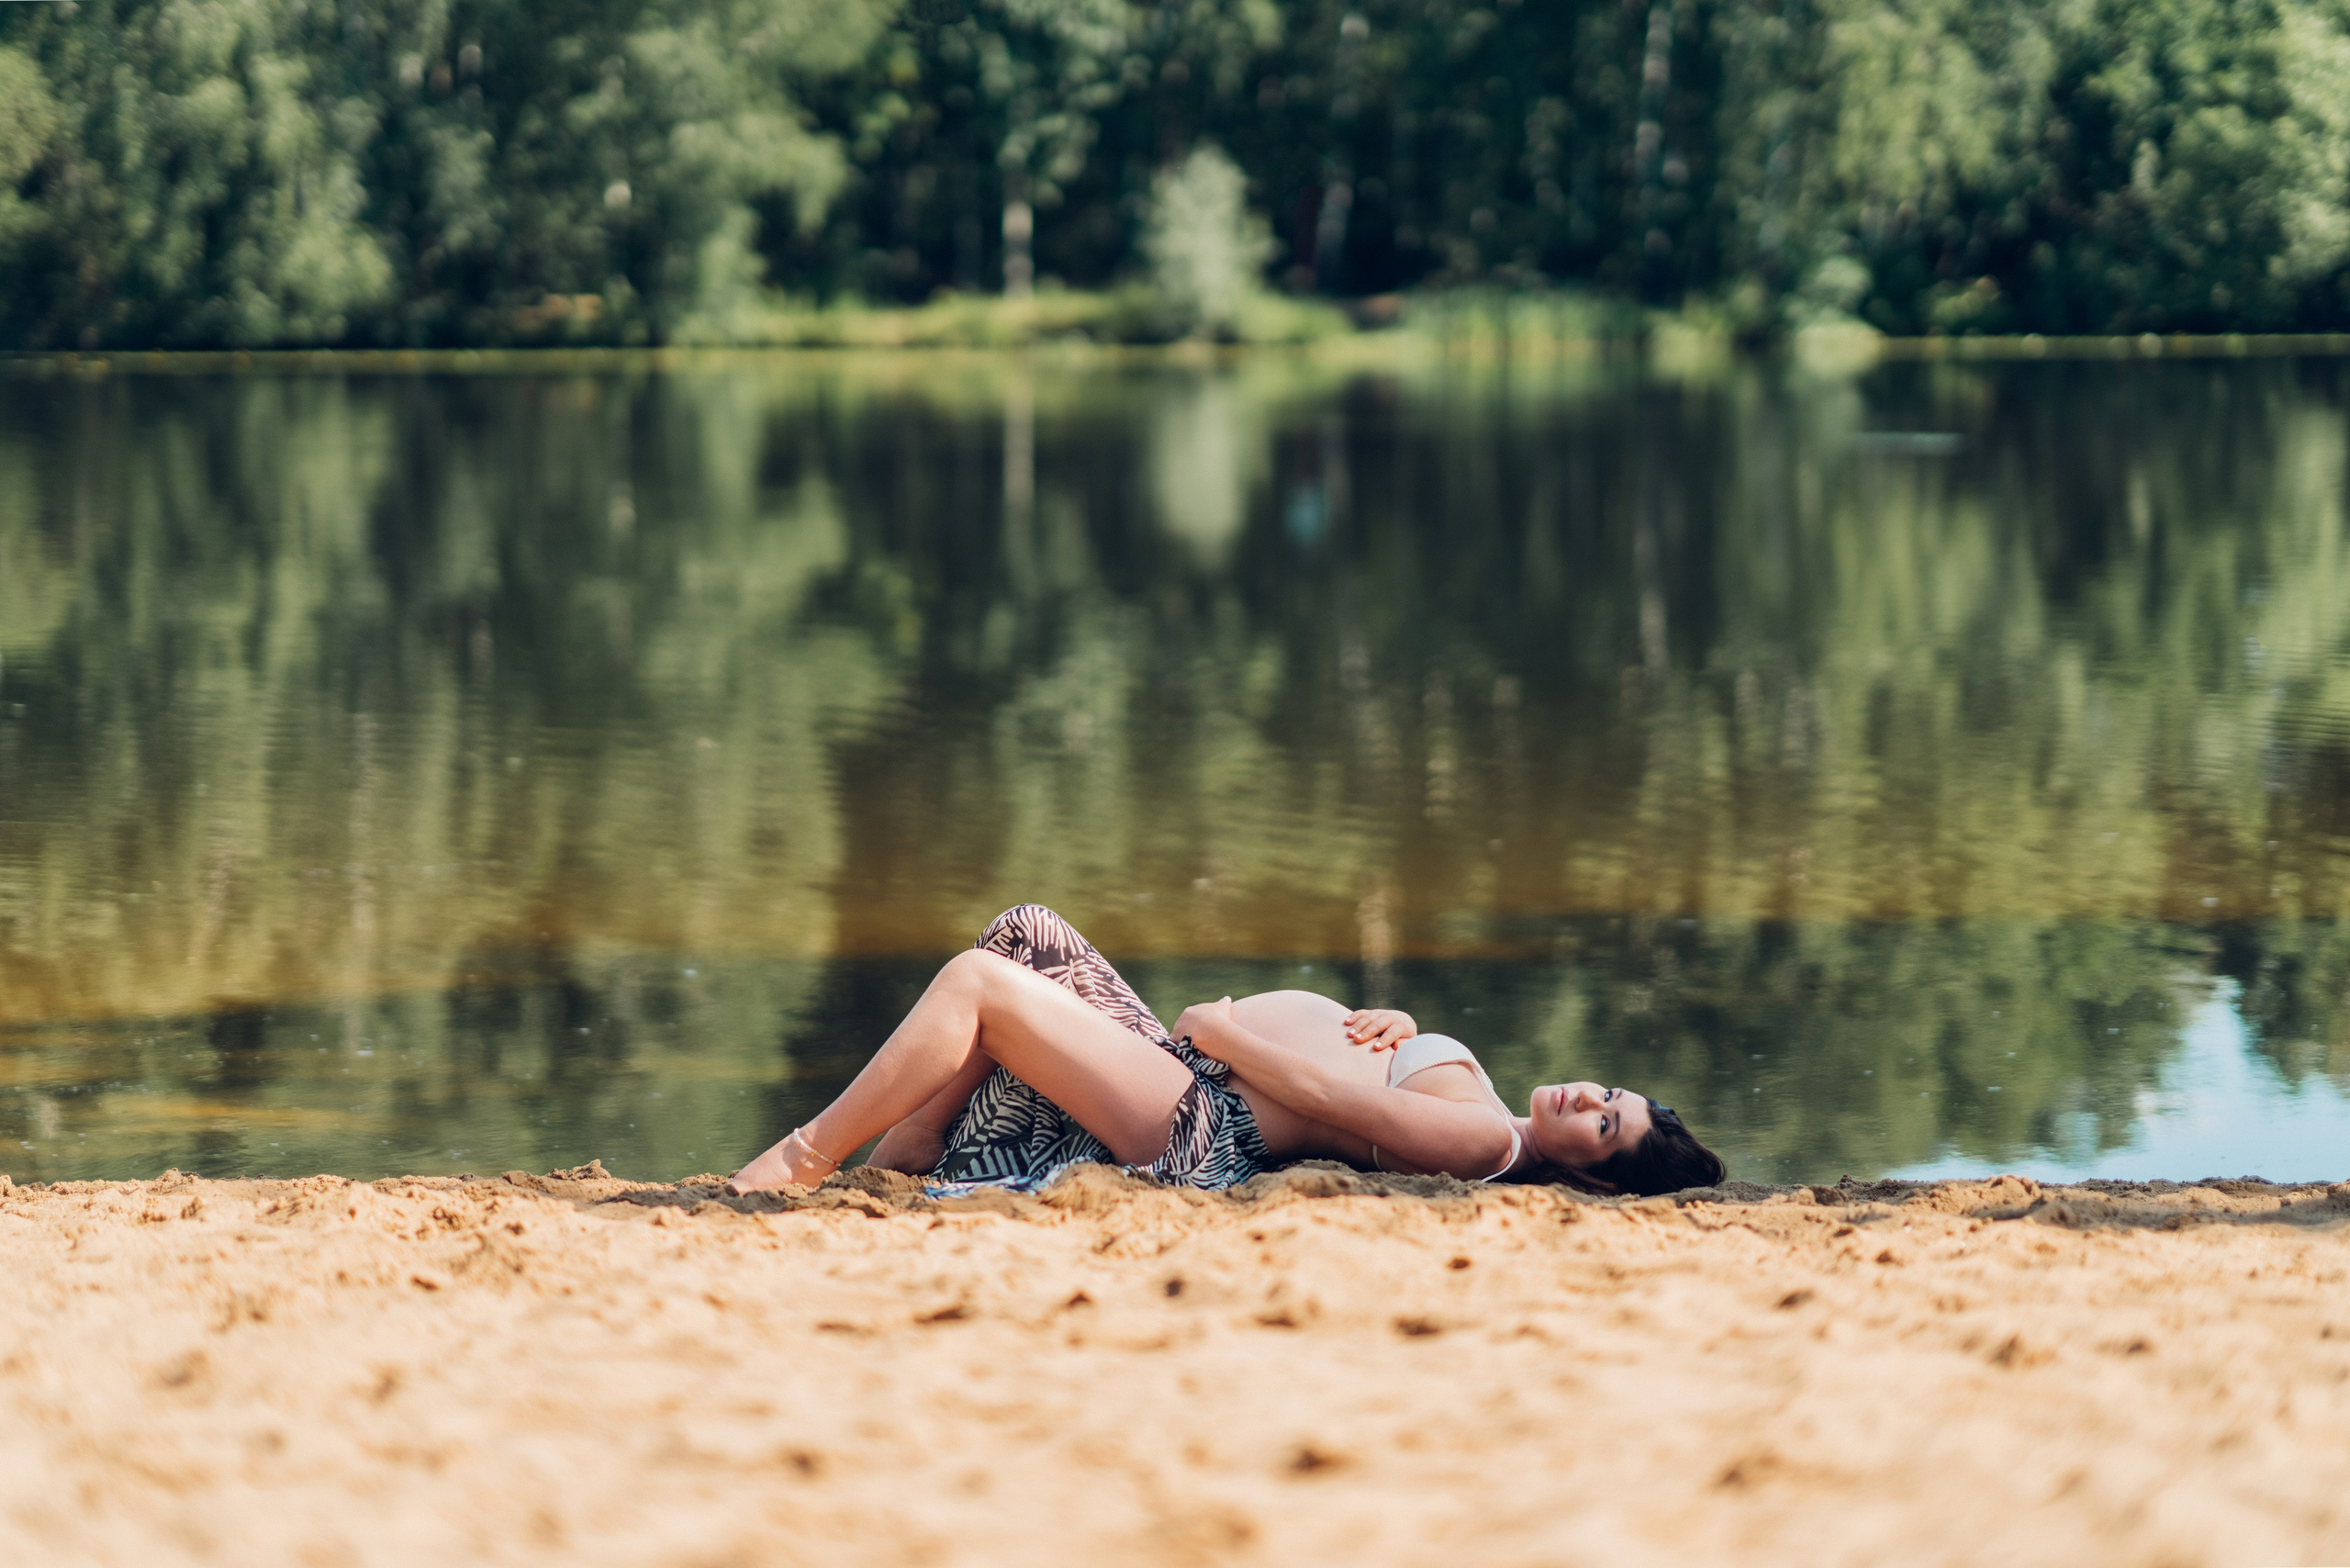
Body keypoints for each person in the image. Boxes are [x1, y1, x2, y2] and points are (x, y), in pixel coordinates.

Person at [727, 905, 1726, 1197]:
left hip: (1205, 1115)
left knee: (980, 985)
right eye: (1610, 1092)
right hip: (1199, 1070)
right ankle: (904, 1153)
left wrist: (1224, 1033)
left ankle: (805, 1157)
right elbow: (1370, 1069)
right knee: (1024, 932)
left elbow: (1336, 1106)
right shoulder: (1490, 1104)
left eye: (1602, 1124)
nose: (1586, 1098)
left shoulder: (1488, 1149)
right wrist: (1404, 1027)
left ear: (1587, 1173)